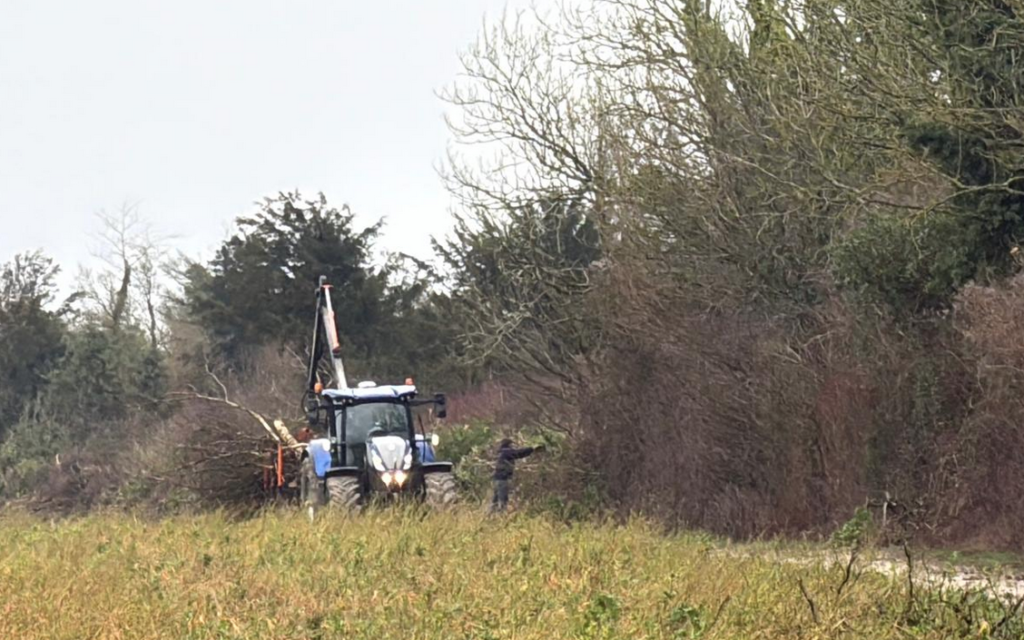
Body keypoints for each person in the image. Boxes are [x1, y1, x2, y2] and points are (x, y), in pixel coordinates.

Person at [490, 437, 544, 513]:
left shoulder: (501, 452)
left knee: (495, 500)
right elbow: (518, 453)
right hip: (503, 479)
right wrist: (532, 449)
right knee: (503, 499)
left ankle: (490, 516)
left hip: (497, 479)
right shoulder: (506, 452)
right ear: (509, 445)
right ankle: (501, 515)